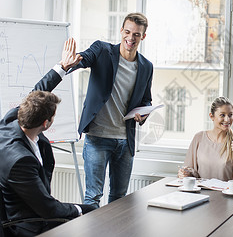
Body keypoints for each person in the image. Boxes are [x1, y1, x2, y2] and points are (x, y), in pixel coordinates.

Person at [0, 40, 94, 237]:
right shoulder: (20, 160)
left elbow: (37, 93)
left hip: (36, 207)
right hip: (24, 223)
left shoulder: (14, 118)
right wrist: (81, 210)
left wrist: (62, 67)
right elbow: (48, 209)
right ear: (46, 123)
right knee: (90, 214)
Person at [62, 12, 153, 207]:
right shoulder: (102, 50)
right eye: (127, 32)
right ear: (121, 31)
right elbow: (84, 58)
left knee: (119, 200)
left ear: (143, 37)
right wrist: (72, 61)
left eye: (136, 34)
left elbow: (146, 100)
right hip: (97, 138)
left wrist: (143, 114)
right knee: (93, 197)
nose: (131, 38)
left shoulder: (146, 66)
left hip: (125, 141)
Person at [178, 96, 233, 183]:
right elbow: (190, 171)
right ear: (212, 116)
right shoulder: (199, 138)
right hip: (201, 193)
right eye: (222, 115)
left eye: (230, 115)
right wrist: (185, 173)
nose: (227, 120)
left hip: (227, 195)